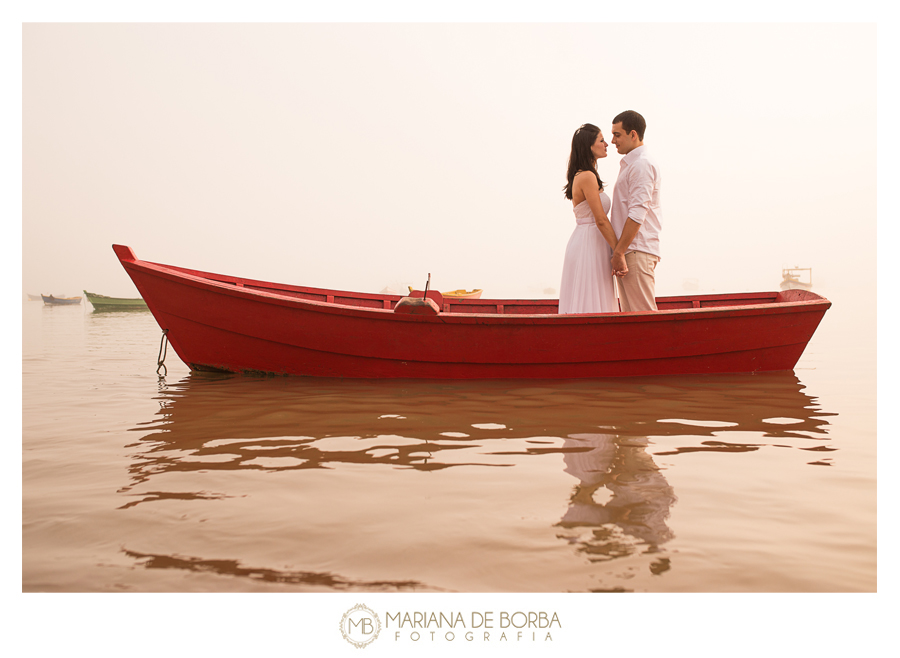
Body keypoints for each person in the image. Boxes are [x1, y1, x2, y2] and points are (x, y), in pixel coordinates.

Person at [558, 123, 620, 314]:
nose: (607, 144)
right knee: (590, 296)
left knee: (595, 293)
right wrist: (620, 252)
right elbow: (600, 219)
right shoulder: (586, 176)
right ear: (589, 146)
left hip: (593, 241)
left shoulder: (588, 175)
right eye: (601, 140)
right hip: (589, 243)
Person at [609, 110, 662, 312]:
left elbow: (638, 212)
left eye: (617, 134)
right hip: (630, 250)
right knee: (633, 319)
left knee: (645, 319)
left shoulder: (641, 165)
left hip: (635, 250)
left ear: (633, 134)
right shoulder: (631, 164)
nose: (613, 140)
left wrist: (619, 251)